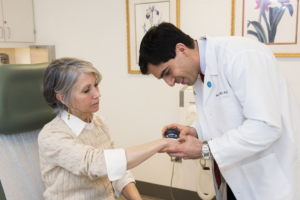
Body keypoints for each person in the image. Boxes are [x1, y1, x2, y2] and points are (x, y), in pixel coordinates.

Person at [138, 22, 300, 200]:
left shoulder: (240, 56)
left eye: (167, 72)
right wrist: (194, 131)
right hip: (234, 177)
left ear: (181, 49)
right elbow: (224, 117)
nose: (170, 83)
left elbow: (266, 126)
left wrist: (205, 150)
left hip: (269, 180)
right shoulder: (199, 73)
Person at [39, 57, 178, 200]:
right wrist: (162, 143)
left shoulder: (98, 123)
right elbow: (98, 163)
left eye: (96, 85)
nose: (97, 94)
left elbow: (118, 172)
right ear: (62, 98)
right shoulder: (51, 135)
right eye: (86, 90)